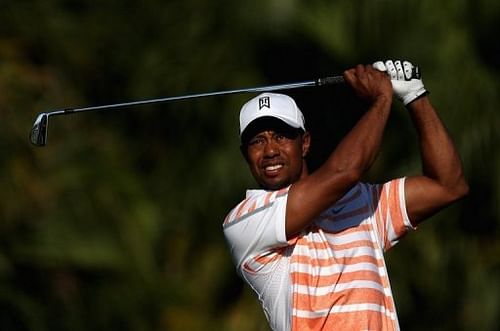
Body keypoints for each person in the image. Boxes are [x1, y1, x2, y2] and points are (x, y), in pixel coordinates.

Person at [222, 60, 468, 330]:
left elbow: (448, 185)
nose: (270, 151)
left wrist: (414, 95)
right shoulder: (244, 222)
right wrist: (382, 98)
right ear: (245, 154)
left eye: (281, 136)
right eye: (257, 141)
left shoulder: (361, 203)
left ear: (304, 144)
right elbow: (345, 172)